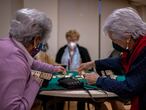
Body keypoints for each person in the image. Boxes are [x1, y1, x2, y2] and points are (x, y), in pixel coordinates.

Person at [78, 7, 146, 110]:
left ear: (127, 36)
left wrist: (98, 80)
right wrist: (93, 63)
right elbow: (121, 61)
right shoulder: (137, 44)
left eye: (115, 40)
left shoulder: (143, 49)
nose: (115, 44)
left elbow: (129, 88)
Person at [0, 8, 65, 110]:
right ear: (37, 39)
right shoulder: (15, 62)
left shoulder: (7, 44)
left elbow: (31, 62)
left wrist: (53, 68)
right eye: (40, 42)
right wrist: (36, 80)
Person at [56, 30, 92, 110]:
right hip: (64, 76)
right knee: (59, 94)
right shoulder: (61, 50)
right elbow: (56, 64)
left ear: (77, 39)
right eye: (69, 40)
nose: (71, 41)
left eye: (73, 40)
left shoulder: (83, 50)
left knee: (81, 95)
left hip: (79, 75)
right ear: (67, 39)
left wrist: (83, 69)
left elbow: (89, 67)